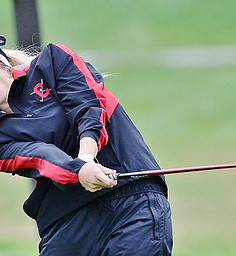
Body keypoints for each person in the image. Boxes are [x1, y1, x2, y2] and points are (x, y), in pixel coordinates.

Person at [0, 35, 173, 255]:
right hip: (65, 222)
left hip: (132, 199)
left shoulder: (53, 61)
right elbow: (39, 156)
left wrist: (87, 157)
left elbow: (89, 108)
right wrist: (79, 170)